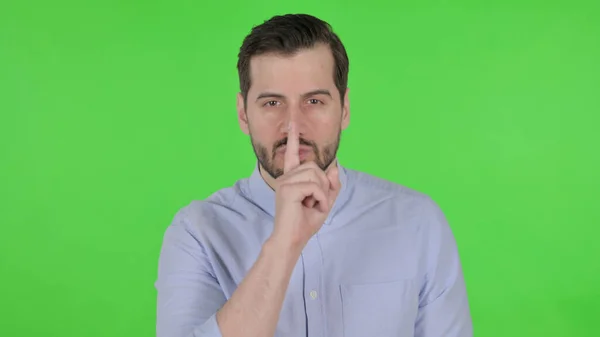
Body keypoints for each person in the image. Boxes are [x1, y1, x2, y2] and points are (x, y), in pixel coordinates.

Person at [155, 13, 473, 337]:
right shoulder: (197, 233)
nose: (294, 126)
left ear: (344, 109)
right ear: (243, 114)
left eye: (314, 100)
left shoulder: (418, 222)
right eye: (272, 102)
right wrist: (284, 243)